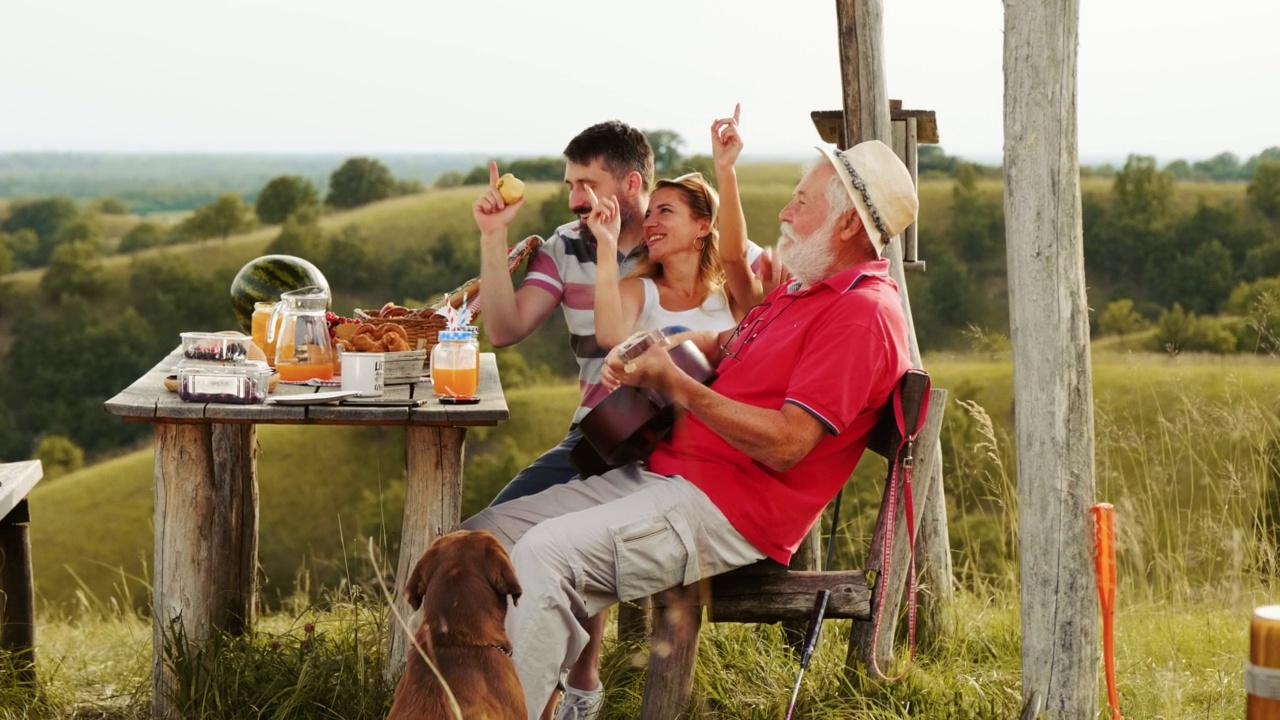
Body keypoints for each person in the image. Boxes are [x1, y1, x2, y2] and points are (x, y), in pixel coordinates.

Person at [462, 138, 920, 719]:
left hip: (725, 508)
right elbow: (720, 340)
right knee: (478, 542)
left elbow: (787, 444)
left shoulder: (860, 315)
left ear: (850, 223)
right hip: (665, 474)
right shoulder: (802, 292)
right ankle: (441, 701)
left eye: (801, 202)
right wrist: (662, 346)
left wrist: (677, 385)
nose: (784, 212)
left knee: (548, 555)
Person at [587, 107, 763, 349]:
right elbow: (610, 338)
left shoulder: (732, 295)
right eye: (648, 214)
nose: (649, 223)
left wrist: (725, 170)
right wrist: (607, 243)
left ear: (703, 225)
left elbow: (734, 256)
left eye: (665, 211)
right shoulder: (639, 292)